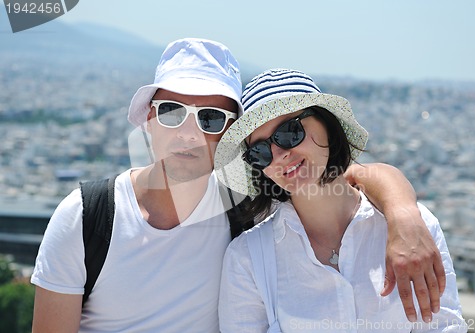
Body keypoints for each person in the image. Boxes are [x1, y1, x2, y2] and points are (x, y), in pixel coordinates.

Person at [31, 39, 444, 333]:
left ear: (229, 138)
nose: (189, 134)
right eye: (172, 111)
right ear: (149, 121)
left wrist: (403, 211)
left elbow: (337, 178)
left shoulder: (244, 207)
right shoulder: (87, 216)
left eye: (210, 118)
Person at [215, 68, 466, 332]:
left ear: (327, 125)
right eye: (260, 151)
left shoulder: (414, 228)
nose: (279, 155)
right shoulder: (247, 258)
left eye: (289, 132)